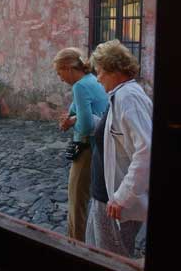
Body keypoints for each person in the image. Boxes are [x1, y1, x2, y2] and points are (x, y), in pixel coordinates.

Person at [86, 39, 152, 258]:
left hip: (113, 201)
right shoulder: (121, 94)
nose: (98, 77)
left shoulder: (128, 97)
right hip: (104, 195)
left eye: (101, 71)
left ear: (115, 70)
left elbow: (146, 150)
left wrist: (122, 197)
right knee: (97, 254)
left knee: (112, 260)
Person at [53, 47, 108, 242]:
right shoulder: (92, 79)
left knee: (77, 201)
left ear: (68, 68)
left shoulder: (80, 86)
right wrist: (71, 118)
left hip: (86, 149)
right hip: (99, 149)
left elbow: (85, 126)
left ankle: (76, 246)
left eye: (59, 73)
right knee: (88, 198)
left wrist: (72, 121)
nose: (60, 78)